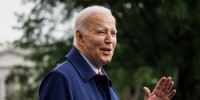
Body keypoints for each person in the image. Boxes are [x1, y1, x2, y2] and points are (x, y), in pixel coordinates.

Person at [39, 5, 176, 100]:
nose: (109, 39)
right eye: (101, 32)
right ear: (80, 37)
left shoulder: (104, 82)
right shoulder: (61, 79)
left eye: (113, 33)